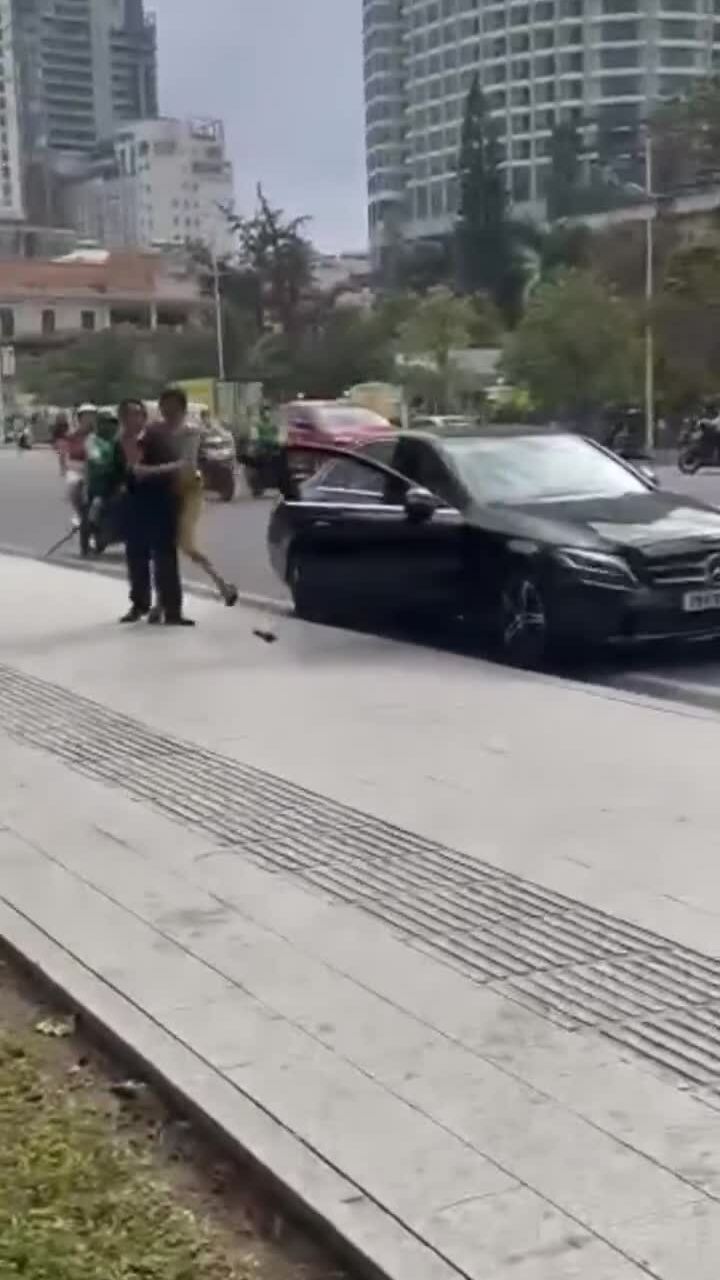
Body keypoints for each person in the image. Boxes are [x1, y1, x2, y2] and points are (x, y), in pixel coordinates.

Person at [157, 387, 238, 606]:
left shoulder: (190, 431)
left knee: (187, 544)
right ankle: (162, 601)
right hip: (164, 492)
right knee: (162, 548)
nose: (168, 413)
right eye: (165, 408)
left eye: (173, 408)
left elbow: (188, 463)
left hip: (189, 491)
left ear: (182, 409)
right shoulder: (157, 431)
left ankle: (222, 584)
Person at [119, 396, 193, 627]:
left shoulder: (157, 435)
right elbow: (132, 471)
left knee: (166, 558)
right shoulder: (120, 441)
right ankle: (139, 604)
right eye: (128, 415)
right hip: (134, 503)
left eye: (137, 414)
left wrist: (164, 471)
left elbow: (178, 466)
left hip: (162, 502)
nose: (134, 419)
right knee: (136, 556)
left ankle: (172, 610)